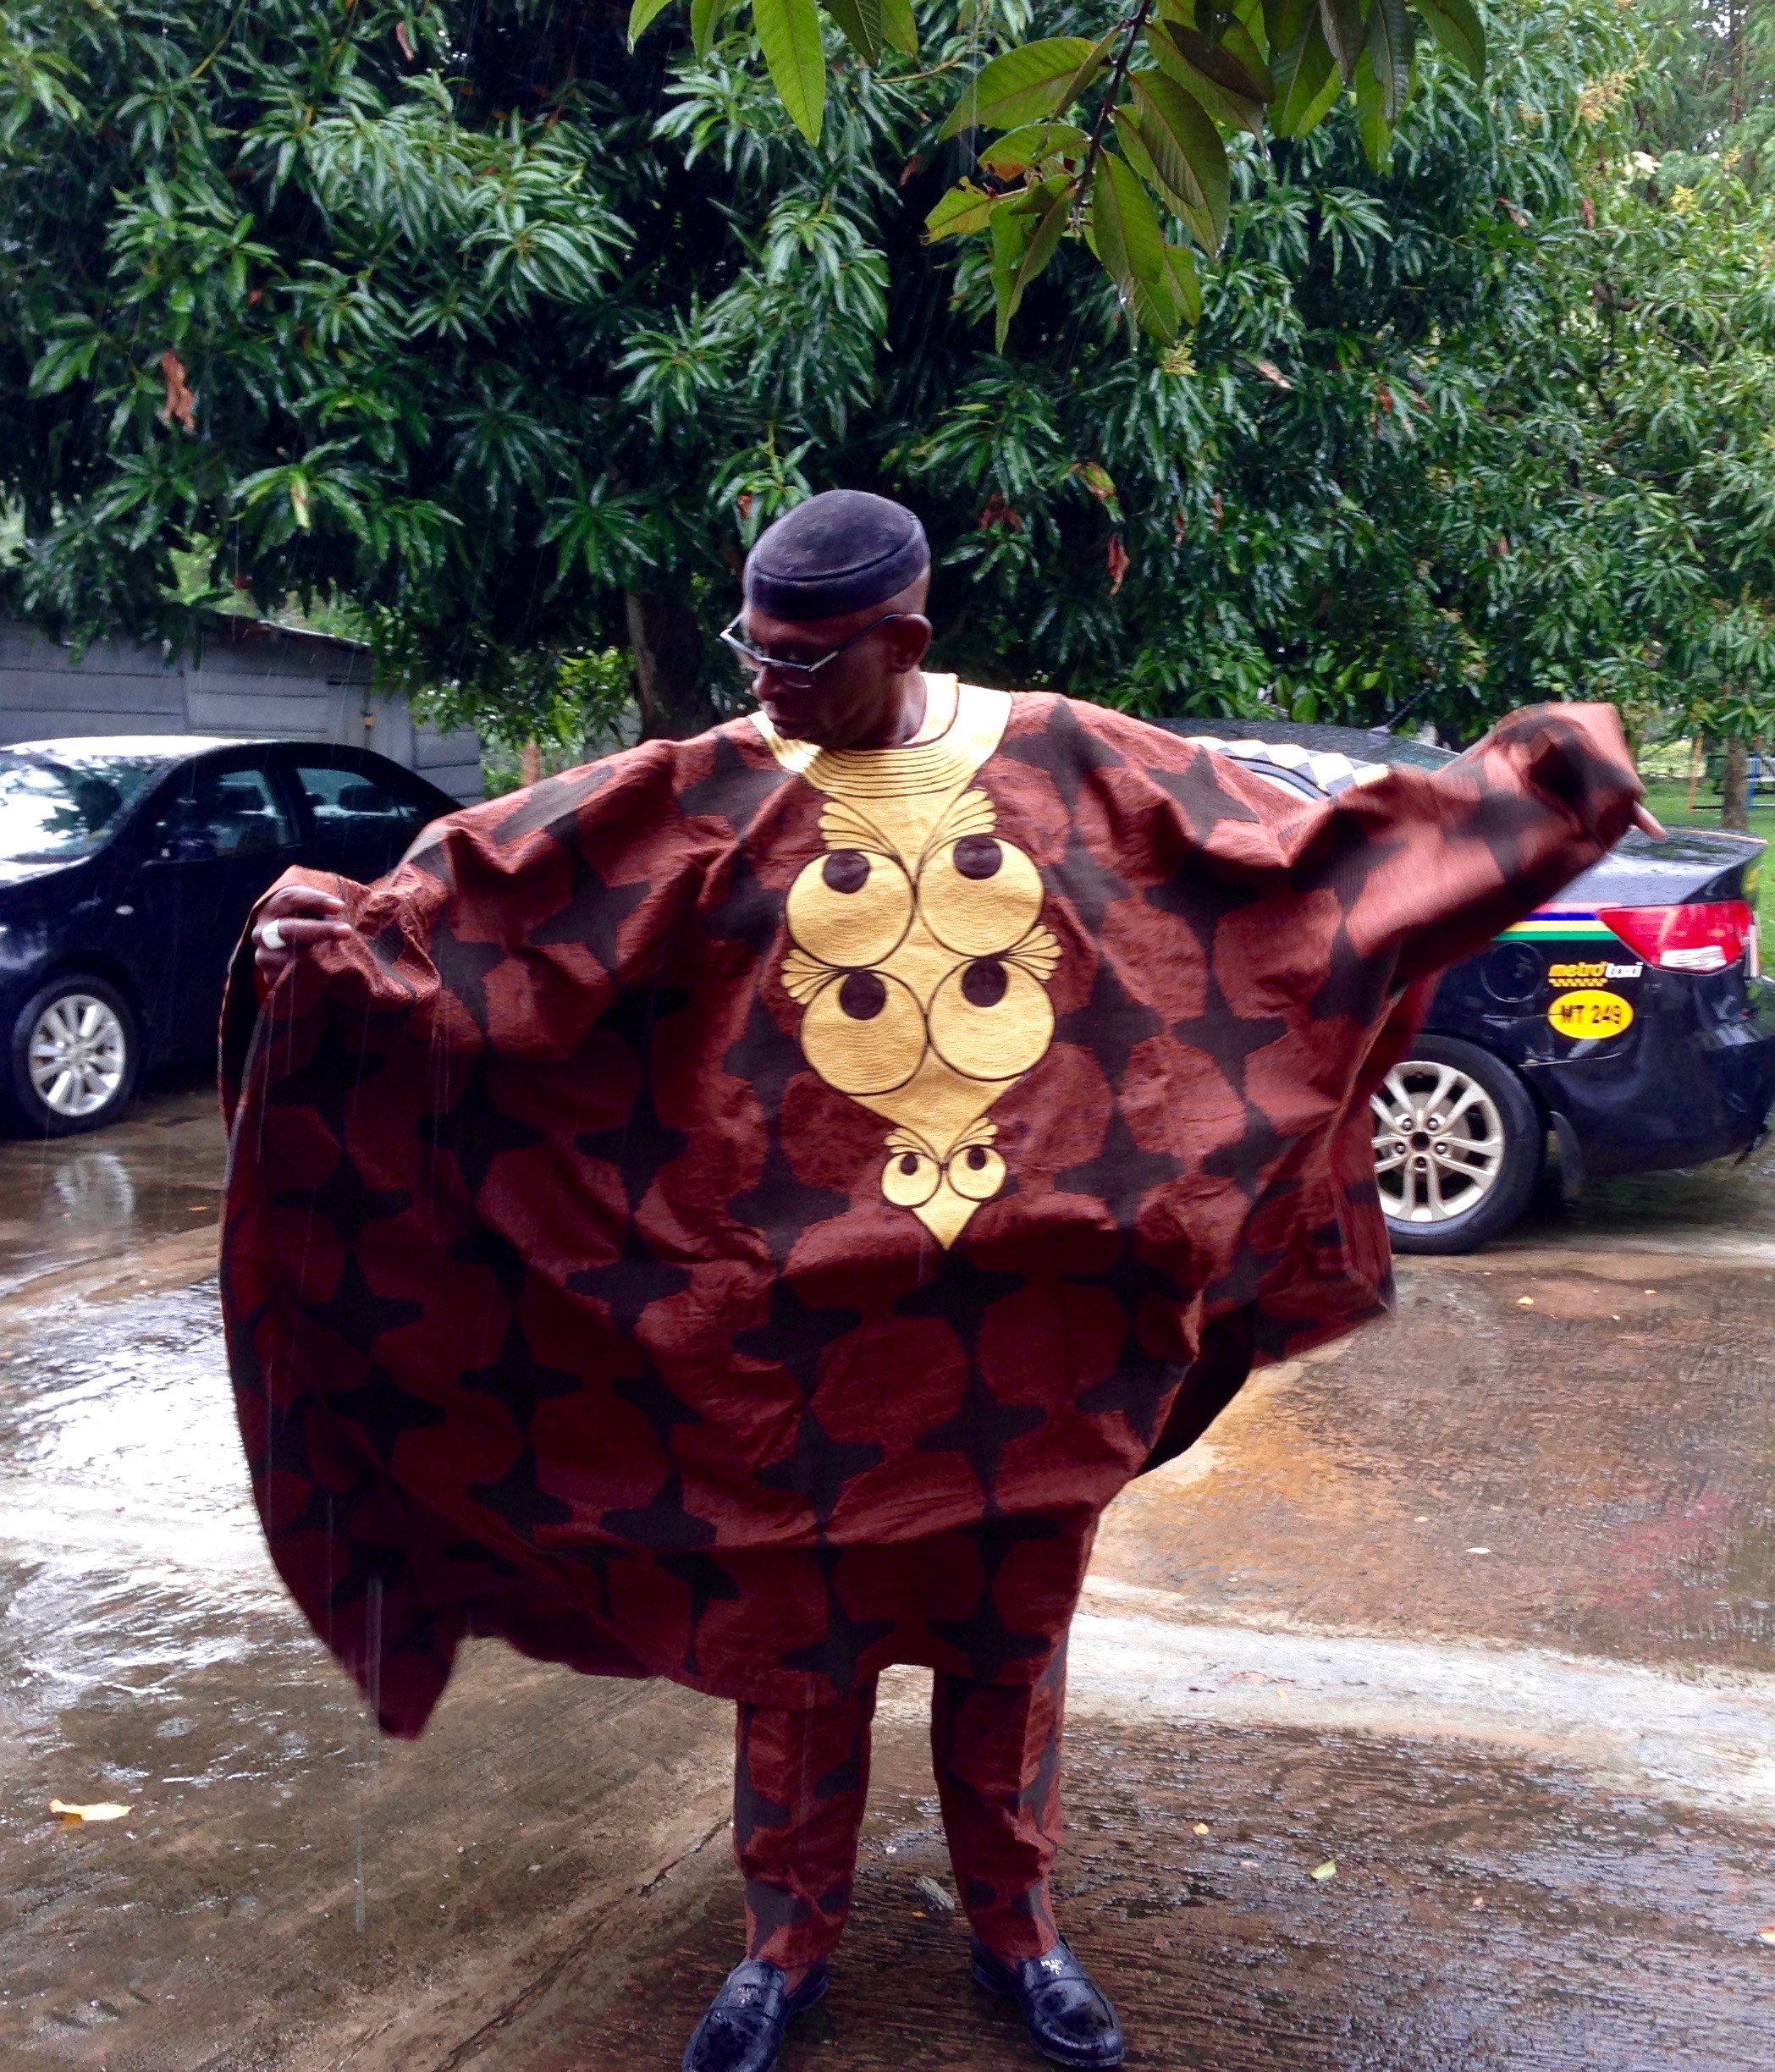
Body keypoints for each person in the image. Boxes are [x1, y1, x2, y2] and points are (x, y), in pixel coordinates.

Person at [227, 490, 1656, 2072]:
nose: (766, 683)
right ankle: (785, 1941)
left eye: (804, 657)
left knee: (1009, 1639)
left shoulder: (1080, 764)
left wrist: (1536, 797)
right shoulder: (707, 794)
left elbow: (1299, 873)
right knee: (801, 1645)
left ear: (904, 641)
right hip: (796, 1341)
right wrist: (355, 939)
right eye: (751, 650)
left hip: (1028, 1339)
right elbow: (513, 907)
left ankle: (1019, 1926)